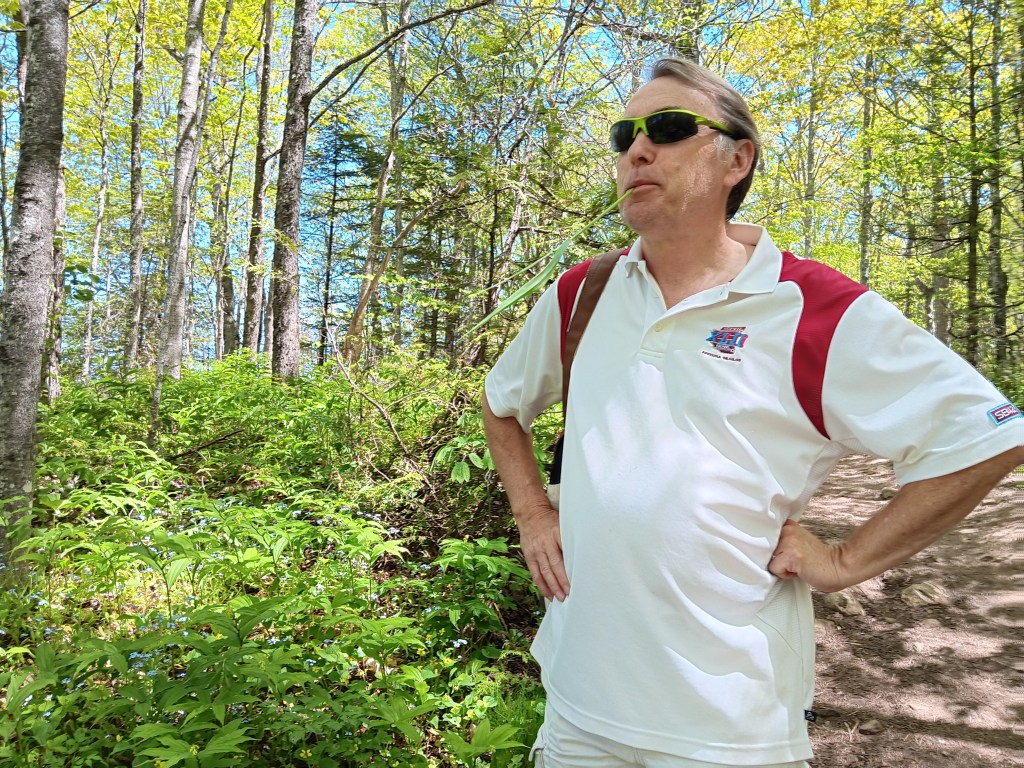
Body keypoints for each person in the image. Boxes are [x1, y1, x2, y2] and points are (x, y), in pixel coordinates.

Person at [481, 56, 1024, 768]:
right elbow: (501, 406)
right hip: (580, 708)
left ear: (737, 159)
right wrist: (531, 514)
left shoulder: (815, 309)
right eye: (625, 135)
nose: (638, 150)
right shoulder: (582, 293)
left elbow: (987, 437)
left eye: (670, 128)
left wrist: (843, 561)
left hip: (731, 731)